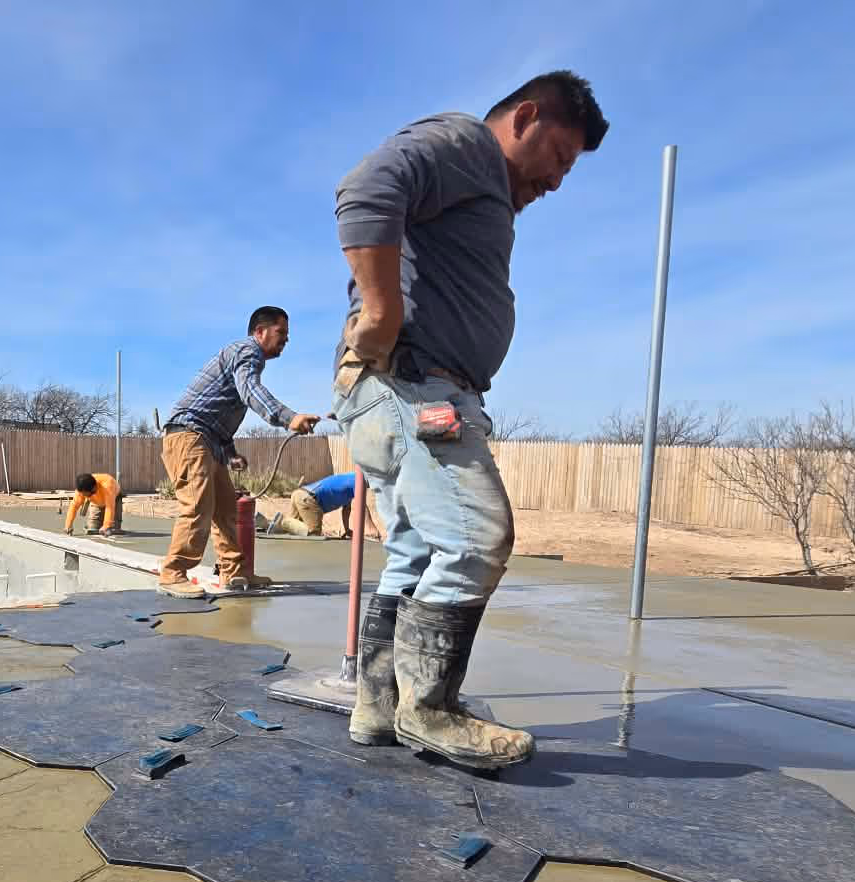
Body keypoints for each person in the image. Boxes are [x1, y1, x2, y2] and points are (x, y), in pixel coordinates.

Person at [332, 71, 608, 769]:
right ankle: (431, 709)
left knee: (417, 552)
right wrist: (383, 311)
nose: (558, 180)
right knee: (478, 537)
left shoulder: (480, 186)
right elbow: (367, 189)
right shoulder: (466, 146)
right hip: (415, 387)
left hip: (397, 392)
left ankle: (380, 706)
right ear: (527, 116)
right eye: (559, 157)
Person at [158, 306, 320, 596]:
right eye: (281, 332)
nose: (286, 340)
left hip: (207, 438)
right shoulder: (247, 352)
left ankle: (235, 573)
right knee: (197, 505)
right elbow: (251, 391)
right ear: (260, 332)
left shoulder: (242, 357)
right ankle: (173, 573)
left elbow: (222, 411)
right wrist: (288, 417)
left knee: (225, 510)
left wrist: (230, 451)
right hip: (189, 435)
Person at [284, 472, 383, 540]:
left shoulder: (349, 484)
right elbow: (362, 505)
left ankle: (280, 523)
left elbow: (346, 510)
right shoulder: (358, 481)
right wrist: (372, 528)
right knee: (313, 535)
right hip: (308, 499)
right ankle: (281, 522)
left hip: (299, 494)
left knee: (292, 529)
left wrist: (347, 529)